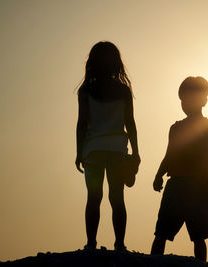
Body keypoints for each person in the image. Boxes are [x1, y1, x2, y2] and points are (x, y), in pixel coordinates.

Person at [75, 41, 140, 251]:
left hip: (92, 149)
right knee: (117, 198)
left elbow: (81, 124)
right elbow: (130, 124)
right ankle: (120, 244)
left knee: (93, 198)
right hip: (117, 150)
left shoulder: (86, 90)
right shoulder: (123, 90)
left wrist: (78, 152)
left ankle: (91, 243)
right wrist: (136, 152)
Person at [150, 76, 208, 261]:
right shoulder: (176, 128)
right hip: (180, 186)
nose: (184, 103)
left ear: (204, 101)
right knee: (163, 234)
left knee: (198, 236)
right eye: (182, 99)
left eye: (188, 98)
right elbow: (169, 155)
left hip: (195, 188)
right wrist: (158, 175)